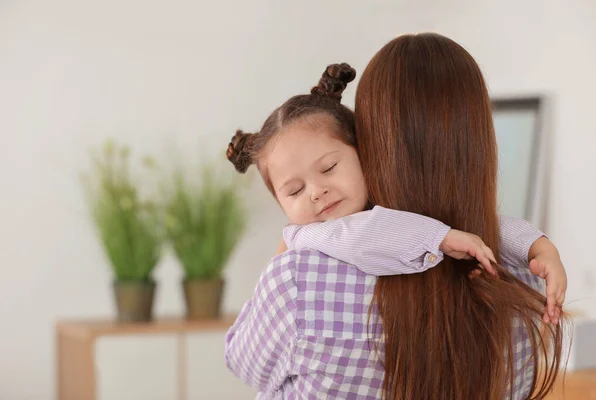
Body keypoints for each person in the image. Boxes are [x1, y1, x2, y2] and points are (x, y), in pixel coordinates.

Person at [225, 36, 565, 399]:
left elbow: (245, 363)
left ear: (365, 147)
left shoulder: (296, 281)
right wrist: (539, 247)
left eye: (329, 167)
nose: (316, 192)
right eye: (293, 191)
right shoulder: (522, 287)